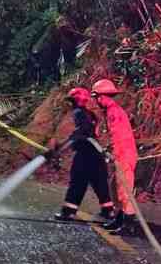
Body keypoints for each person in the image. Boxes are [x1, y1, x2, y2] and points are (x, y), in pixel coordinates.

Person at [49, 87, 114, 222]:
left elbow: (82, 131)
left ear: (76, 100)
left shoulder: (78, 112)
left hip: (85, 154)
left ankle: (68, 212)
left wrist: (62, 147)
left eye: (72, 100)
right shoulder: (90, 114)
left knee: (77, 182)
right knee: (99, 182)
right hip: (96, 154)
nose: (70, 103)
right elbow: (90, 132)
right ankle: (108, 211)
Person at [90, 77, 140, 235]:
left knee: (124, 190)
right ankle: (119, 219)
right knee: (115, 188)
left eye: (97, 97)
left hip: (123, 155)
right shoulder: (111, 111)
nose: (96, 101)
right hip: (119, 155)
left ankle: (128, 224)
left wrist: (113, 154)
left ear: (102, 96)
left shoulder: (114, 113)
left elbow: (119, 138)